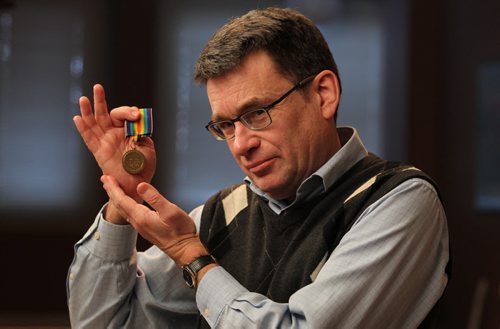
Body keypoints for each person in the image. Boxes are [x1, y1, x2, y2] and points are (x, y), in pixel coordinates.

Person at [67, 7, 449, 329]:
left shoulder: (399, 200)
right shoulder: (224, 212)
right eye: (226, 125)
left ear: (323, 94)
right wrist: (122, 199)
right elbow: (103, 323)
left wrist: (194, 259)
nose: (240, 144)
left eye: (257, 113)